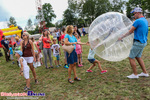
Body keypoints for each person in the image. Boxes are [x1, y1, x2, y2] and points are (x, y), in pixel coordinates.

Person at [118, 7, 149, 79]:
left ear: (138, 13)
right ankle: (145, 72)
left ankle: (135, 74)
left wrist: (121, 37)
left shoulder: (137, 21)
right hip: (143, 42)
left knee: (131, 57)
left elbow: (130, 31)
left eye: (134, 14)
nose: (133, 15)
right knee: (138, 57)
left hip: (138, 42)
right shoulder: (145, 20)